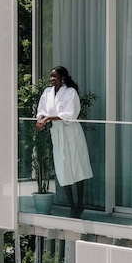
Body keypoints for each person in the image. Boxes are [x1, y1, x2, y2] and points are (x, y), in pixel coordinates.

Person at [36, 66, 93, 217]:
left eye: (55, 76)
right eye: (51, 76)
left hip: (71, 132)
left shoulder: (71, 92)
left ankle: (80, 204)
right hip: (58, 133)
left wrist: (47, 118)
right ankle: (72, 205)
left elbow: (70, 114)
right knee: (63, 168)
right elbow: (41, 110)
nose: (51, 79)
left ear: (63, 78)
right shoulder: (47, 93)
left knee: (77, 166)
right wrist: (41, 119)